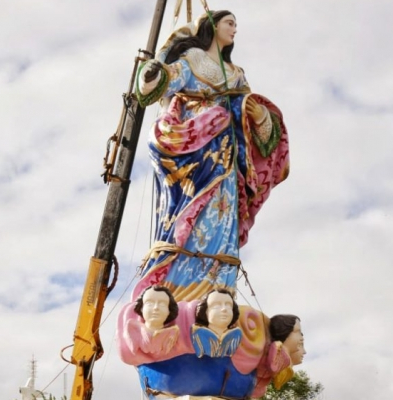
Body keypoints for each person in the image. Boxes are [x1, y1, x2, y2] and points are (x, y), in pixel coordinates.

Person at [133, 10, 290, 303]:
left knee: (222, 213)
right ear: (213, 26)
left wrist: (259, 117)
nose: (235, 30)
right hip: (191, 149)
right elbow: (165, 82)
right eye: (230, 23)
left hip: (225, 154)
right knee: (188, 213)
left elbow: (251, 113)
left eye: (236, 25)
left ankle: (218, 293)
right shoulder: (193, 59)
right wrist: (154, 73)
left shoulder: (236, 73)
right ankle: (178, 288)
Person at [191, 288, 242, 358]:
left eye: (229, 305)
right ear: (205, 311)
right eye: (216, 305)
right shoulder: (198, 333)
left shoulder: (236, 334)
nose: (224, 309)